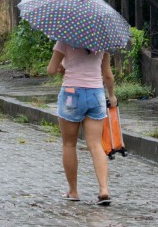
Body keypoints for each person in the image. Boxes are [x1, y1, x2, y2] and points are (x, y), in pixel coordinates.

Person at [47, 40, 116, 206]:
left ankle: (73, 191)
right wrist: (112, 95)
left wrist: (62, 67)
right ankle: (104, 189)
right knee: (96, 145)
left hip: (71, 93)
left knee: (69, 144)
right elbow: (107, 74)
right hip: (96, 94)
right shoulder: (102, 42)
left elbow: (50, 70)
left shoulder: (64, 40)